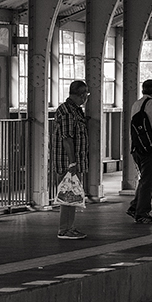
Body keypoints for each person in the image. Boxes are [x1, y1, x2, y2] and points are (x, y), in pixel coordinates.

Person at [51, 79, 90, 240]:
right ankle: (64, 229)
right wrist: (72, 162)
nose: (86, 97)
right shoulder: (67, 112)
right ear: (81, 95)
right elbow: (67, 138)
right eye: (85, 94)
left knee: (71, 194)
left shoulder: (75, 110)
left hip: (72, 162)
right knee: (67, 194)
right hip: (67, 163)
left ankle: (69, 227)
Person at [127, 79, 152, 223]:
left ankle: (135, 207)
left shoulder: (136, 104)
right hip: (149, 148)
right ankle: (142, 213)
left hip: (137, 147)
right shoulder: (151, 104)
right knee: (149, 180)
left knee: (144, 179)